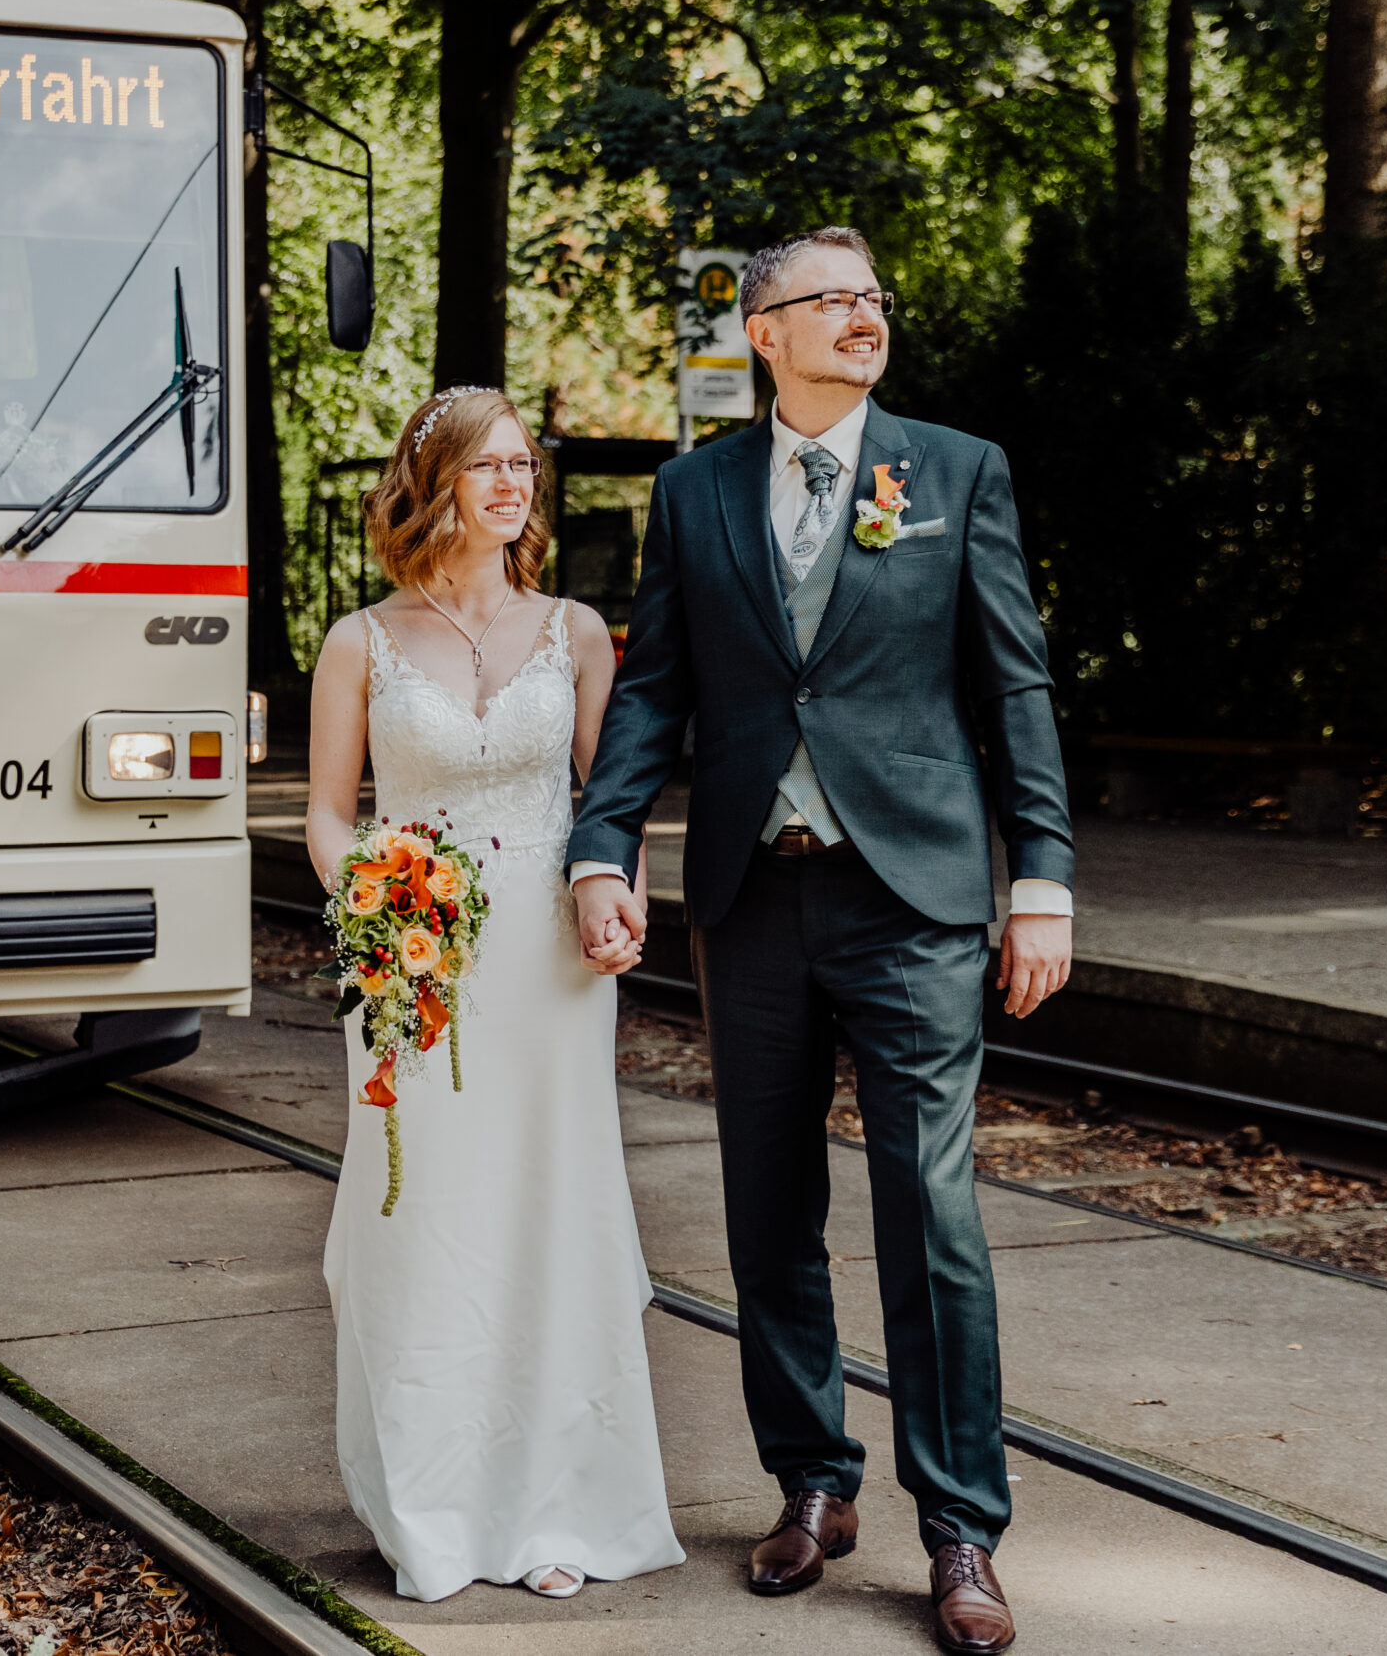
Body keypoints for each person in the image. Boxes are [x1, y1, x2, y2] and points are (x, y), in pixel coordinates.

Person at [565, 227, 1075, 1656]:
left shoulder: (955, 469)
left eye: (873, 299)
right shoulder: (694, 489)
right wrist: (602, 840)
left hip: (913, 896)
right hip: (754, 895)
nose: (864, 318)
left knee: (933, 1210)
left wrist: (1045, 876)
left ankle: (962, 1522)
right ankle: (810, 1480)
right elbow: (658, 684)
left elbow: (1014, 683)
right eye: (831, 301)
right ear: (763, 330)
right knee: (765, 1205)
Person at [304, 386, 686, 1604]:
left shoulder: (575, 630)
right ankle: (433, 1500)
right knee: (427, 1215)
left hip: (549, 966)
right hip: (414, 963)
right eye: (489, 467)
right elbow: (327, 811)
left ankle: (558, 1498)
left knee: (548, 1209)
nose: (515, 485)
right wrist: (372, 897)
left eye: (526, 465)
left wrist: (622, 895)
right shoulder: (360, 641)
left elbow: (609, 799)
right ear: (436, 484)